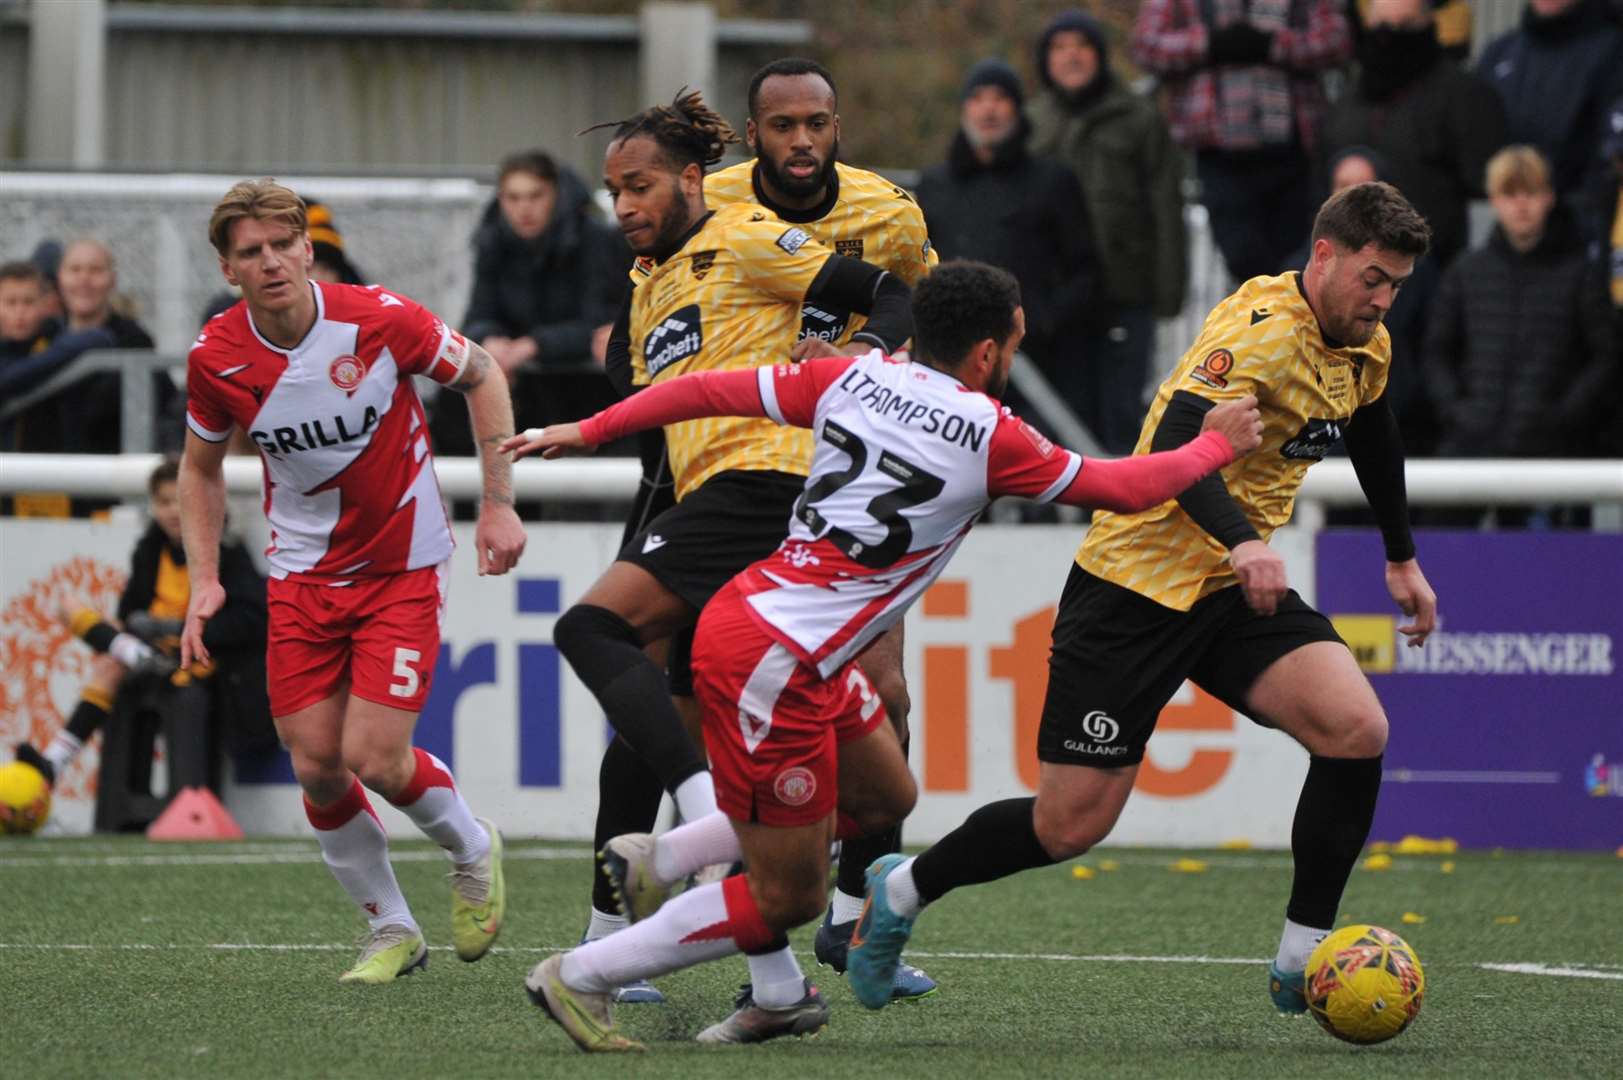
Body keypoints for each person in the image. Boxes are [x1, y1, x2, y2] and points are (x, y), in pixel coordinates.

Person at [504, 260, 1261, 1052]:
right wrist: (1215, 446)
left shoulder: (852, 379)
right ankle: (581, 973)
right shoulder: (993, 434)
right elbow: (1128, 485)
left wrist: (589, 428)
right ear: (985, 354)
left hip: (787, 636)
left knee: (885, 796)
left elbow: (707, 390)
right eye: (1013, 342)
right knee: (789, 896)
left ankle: (667, 856)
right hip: (773, 659)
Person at [845, 183, 1440, 1019]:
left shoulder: (1362, 342)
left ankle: (1303, 954)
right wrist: (1242, 539)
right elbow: (1172, 442)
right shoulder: (1257, 334)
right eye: (1372, 278)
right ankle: (902, 889)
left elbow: (1373, 428)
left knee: (1356, 731)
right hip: (1135, 587)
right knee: (1069, 826)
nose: (1381, 301)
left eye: (1396, 286)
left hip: (1230, 589)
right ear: (1324, 256)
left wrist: (1399, 555)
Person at [548, 86, 916, 1027]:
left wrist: (854, 350)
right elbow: (661, 408)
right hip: (707, 499)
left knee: (591, 628)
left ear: (687, 179)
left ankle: (698, 816)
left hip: (767, 488)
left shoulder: (747, 233)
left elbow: (886, 292)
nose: (624, 206)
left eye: (639, 186)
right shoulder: (649, 283)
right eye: (611, 192)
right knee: (699, 712)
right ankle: (779, 986)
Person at [177, 179, 525, 983]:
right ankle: (392, 929)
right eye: (249, 253)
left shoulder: (378, 319)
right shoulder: (216, 357)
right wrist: (204, 578)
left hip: (400, 569)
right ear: (229, 270)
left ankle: (473, 846)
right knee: (315, 765)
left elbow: (483, 376)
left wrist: (498, 506)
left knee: (374, 755)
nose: (269, 263)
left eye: (280, 246)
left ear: (307, 248)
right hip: (300, 579)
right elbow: (197, 470)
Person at [14, 458, 270, 796]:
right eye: (164, 502)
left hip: (203, 662)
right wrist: (139, 627)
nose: (174, 512)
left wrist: (179, 628)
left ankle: (58, 758)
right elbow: (129, 611)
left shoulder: (228, 552)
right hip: (154, 653)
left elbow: (248, 622)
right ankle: (134, 659)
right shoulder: (150, 549)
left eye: (181, 500)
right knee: (72, 611)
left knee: (112, 663)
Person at [1027, 11, 1187, 454]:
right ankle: (1062, 516)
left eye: (1081, 45)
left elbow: (1166, 206)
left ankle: (1124, 513)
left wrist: (1169, 290)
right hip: (1058, 298)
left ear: (1099, 55)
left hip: (1126, 290)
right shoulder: (1033, 121)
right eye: (1059, 47)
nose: (1071, 56)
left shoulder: (1139, 119)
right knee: (1062, 409)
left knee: (1122, 410)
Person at [915, 58, 1096, 430]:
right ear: (964, 108)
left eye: (1000, 98)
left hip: (1039, 368)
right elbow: (915, 267)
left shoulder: (1053, 181)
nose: (989, 109)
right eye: (978, 98)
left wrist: (1045, 321)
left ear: (1017, 108)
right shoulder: (934, 185)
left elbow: (1086, 268)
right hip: (949, 366)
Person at [431, 149, 629, 467]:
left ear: (555, 194)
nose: (524, 208)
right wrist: (491, 341)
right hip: (525, 384)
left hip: (581, 385)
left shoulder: (594, 240)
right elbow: (478, 314)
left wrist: (533, 345)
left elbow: (602, 321)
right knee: (456, 391)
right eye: (513, 198)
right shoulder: (492, 241)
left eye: (535, 196)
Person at [1132, 0, 1352, 285]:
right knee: (1244, 260)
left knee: (1299, 263)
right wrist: (1209, 44)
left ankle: (1294, 322)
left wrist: (1273, 44)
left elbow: (1336, 41)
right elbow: (1146, 45)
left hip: (1295, 151)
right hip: (1218, 150)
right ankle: (1263, 322)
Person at [1424, 146, 1615, 472]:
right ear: (1494, 200)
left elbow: (1605, 356)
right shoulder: (1466, 271)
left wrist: (1563, 416)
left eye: (1532, 192)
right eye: (1510, 193)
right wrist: (1456, 410)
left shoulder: (1580, 275)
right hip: (1469, 447)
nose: (1521, 204)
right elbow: (1436, 350)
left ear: (1549, 198)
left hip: (1548, 454)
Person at [1319, 0, 1508, 269]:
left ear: (1428, 24)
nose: (1389, 37)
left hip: (1438, 272)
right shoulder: (1345, 108)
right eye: (1381, 26)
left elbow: (1488, 198)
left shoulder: (1467, 99)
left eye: (1404, 25)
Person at [1477, 0, 1623, 246]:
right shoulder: (1499, 53)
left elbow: (1609, 157)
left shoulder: (1613, 53)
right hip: (1503, 240)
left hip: (1585, 240)